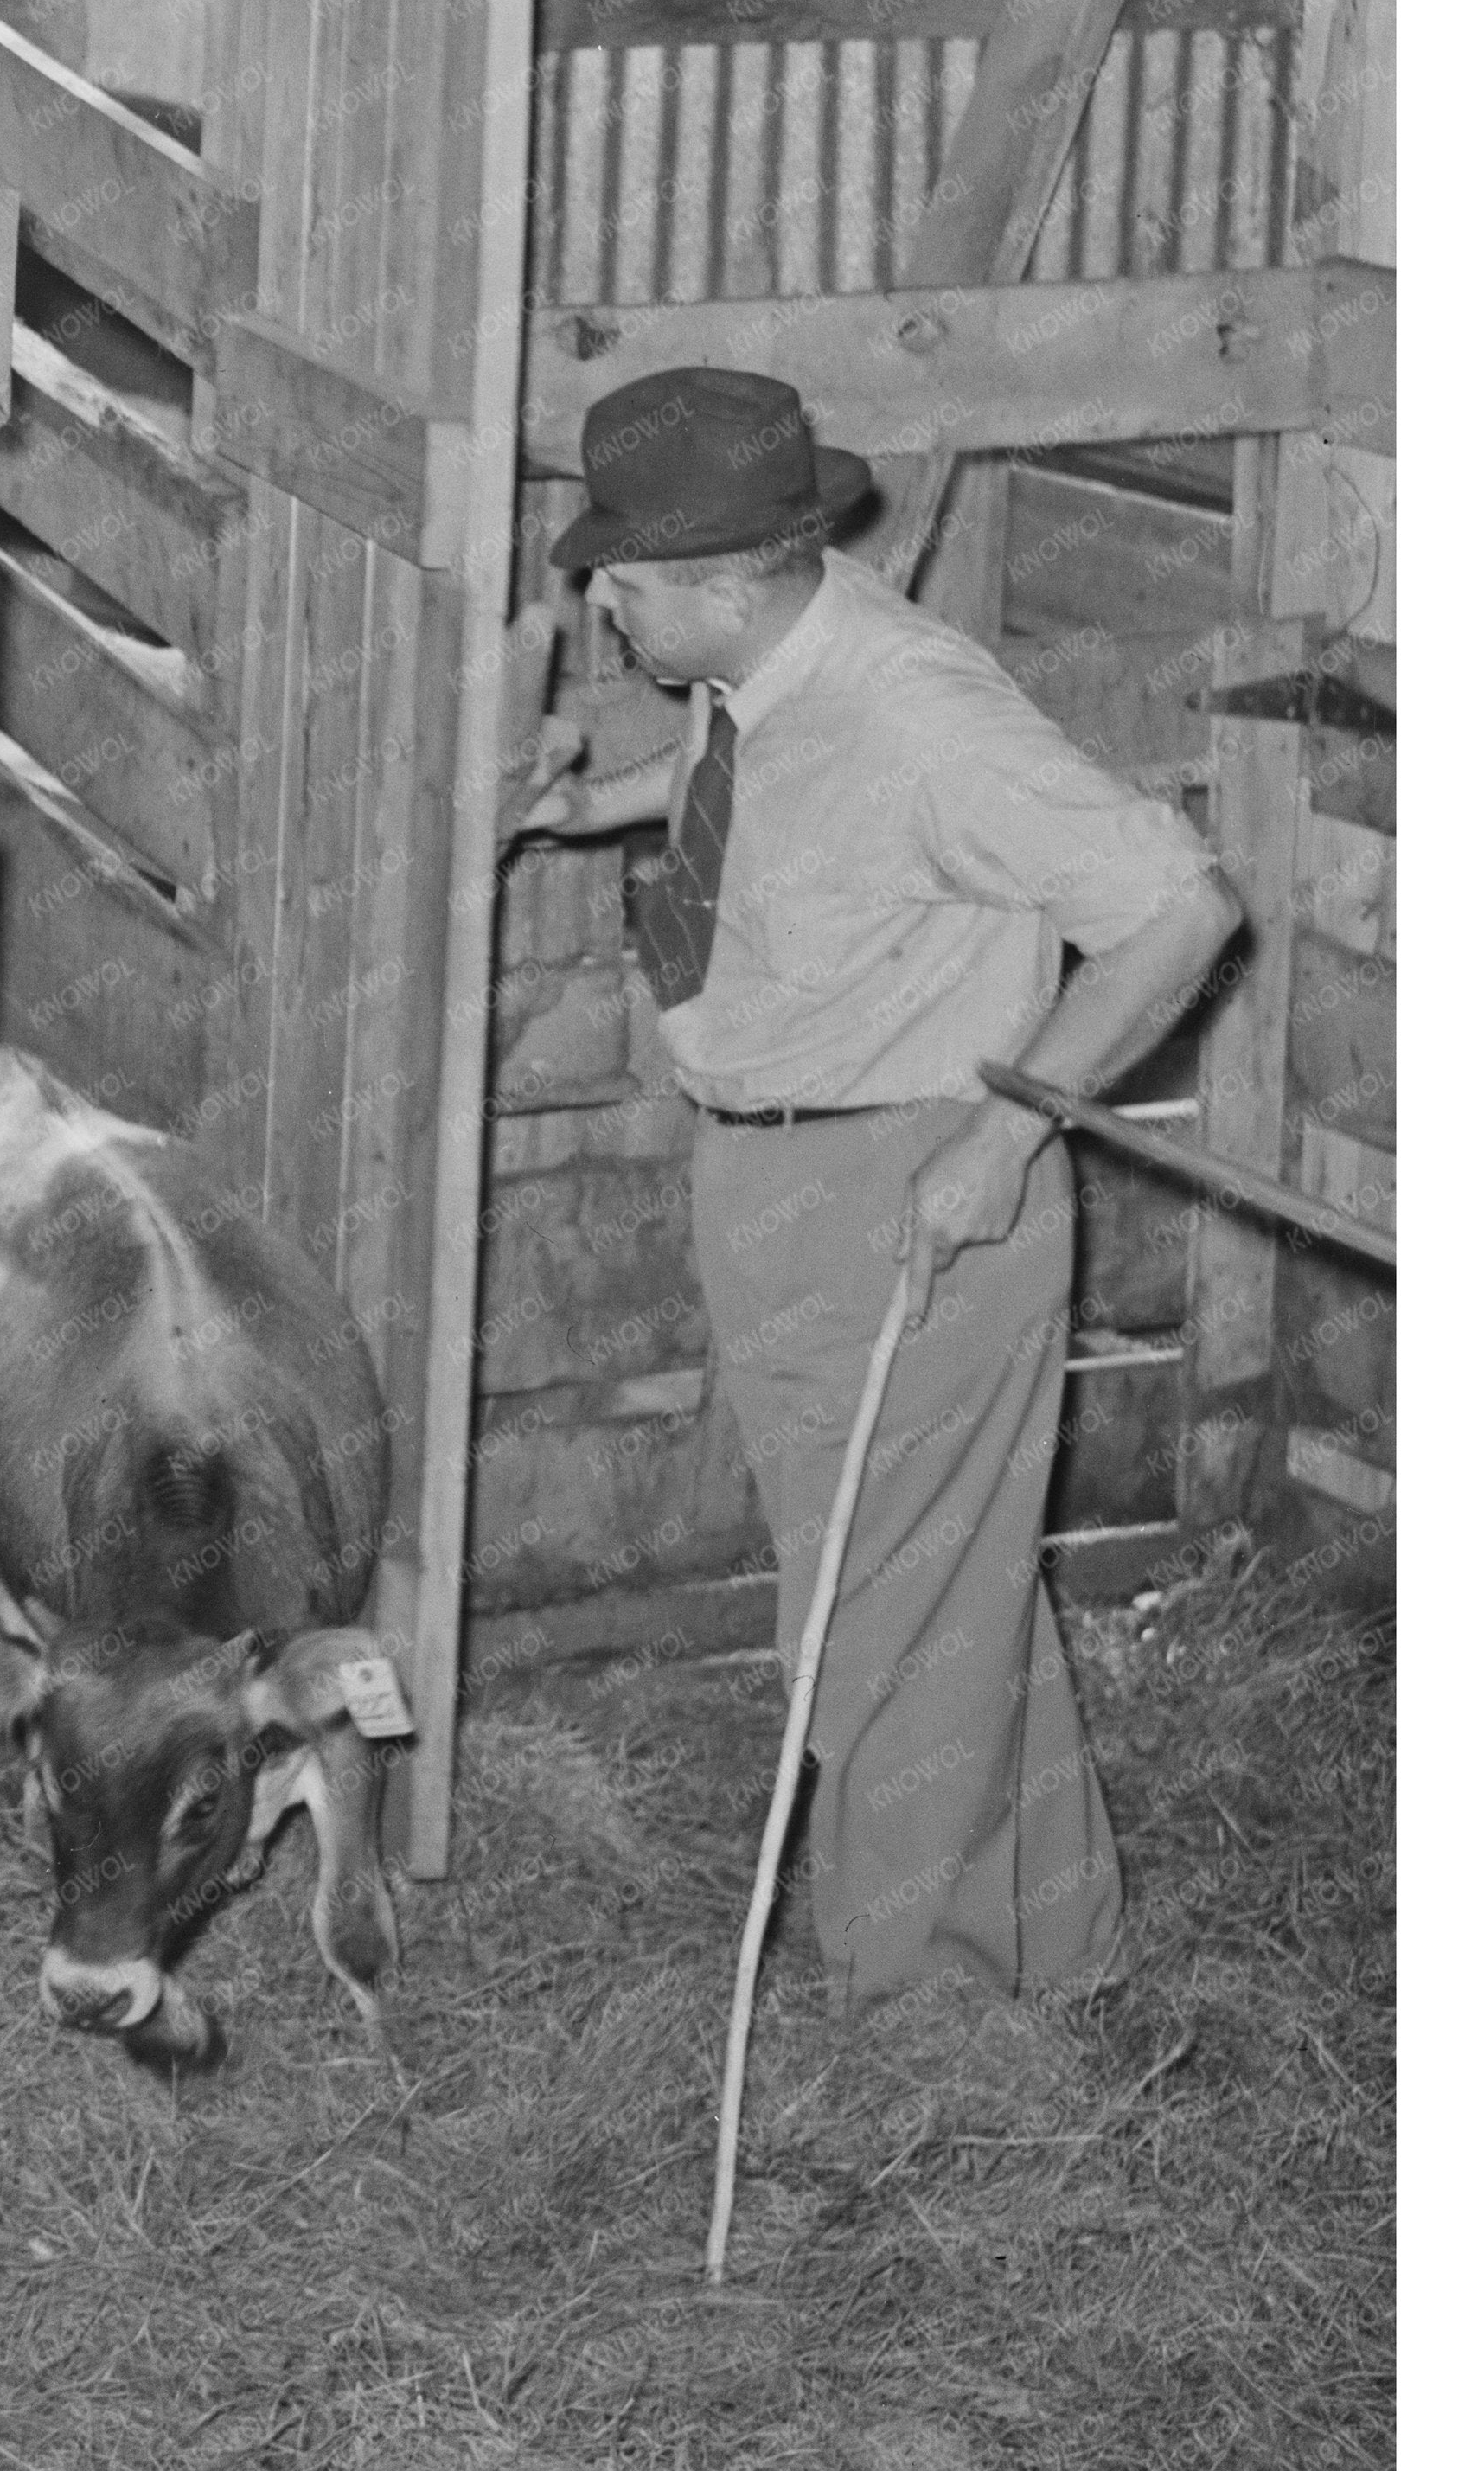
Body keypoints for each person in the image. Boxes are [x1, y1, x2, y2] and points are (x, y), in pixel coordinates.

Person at [512, 369, 1243, 2013]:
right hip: (777, 1172)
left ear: (722, 580)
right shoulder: (775, 650)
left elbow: (1178, 908)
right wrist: (588, 804)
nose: (600, 604)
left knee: (884, 1613)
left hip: (913, 1182)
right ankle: (1049, 1951)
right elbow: (768, 798)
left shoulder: (917, 711)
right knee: (931, 1589)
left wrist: (1003, 1138)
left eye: (621, 580)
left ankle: (927, 2027)